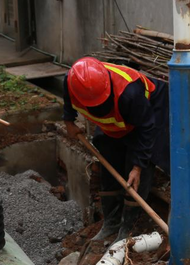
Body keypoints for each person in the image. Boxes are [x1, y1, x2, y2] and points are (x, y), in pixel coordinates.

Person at [63, 57, 169, 242]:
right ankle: (111, 223)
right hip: (118, 115)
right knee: (109, 155)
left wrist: (137, 167)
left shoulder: (130, 92)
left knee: (138, 171)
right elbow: (67, 101)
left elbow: (146, 129)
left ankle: (128, 228)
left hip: (150, 109)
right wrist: (69, 122)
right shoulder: (73, 81)